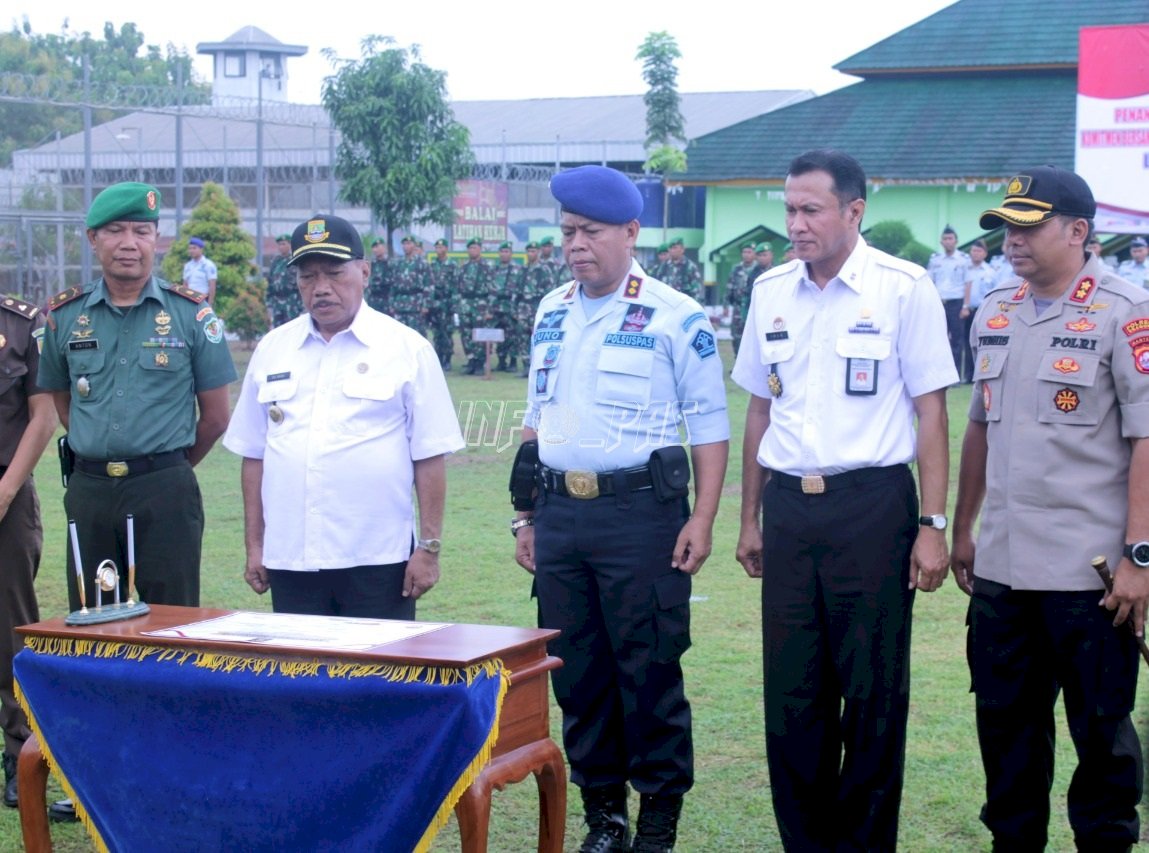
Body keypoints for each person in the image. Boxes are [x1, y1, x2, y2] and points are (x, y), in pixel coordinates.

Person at [732, 149, 957, 851]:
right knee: (792, 696)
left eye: (810, 210)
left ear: (853, 211)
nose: (794, 224)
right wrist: (749, 517)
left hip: (873, 508)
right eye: (788, 209)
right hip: (791, 512)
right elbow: (758, 412)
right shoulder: (769, 289)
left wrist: (932, 524)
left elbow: (932, 412)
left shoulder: (902, 287)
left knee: (870, 697)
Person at [512, 165, 729, 852]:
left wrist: (703, 518)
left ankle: (657, 822)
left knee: (649, 668)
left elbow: (709, 424)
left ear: (631, 233)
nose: (575, 244)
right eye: (568, 231)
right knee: (577, 672)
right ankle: (604, 816)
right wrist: (524, 516)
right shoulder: (550, 310)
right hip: (561, 517)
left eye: (591, 231)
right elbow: (532, 420)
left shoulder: (674, 314)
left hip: (641, 517)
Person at [951, 166, 1148, 850]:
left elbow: (1146, 435)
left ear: (1077, 231)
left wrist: (1138, 555)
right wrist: (963, 527)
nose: (1011, 240)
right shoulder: (996, 308)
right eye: (1006, 226)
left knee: (1101, 738)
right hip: (1003, 568)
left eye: (1028, 227)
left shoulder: (1124, 310)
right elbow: (979, 425)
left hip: (1089, 575)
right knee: (1004, 735)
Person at [224, 214, 464, 618]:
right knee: (300, 676)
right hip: (291, 558)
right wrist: (255, 545)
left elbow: (429, 456)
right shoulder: (272, 349)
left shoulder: (407, 349)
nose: (321, 288)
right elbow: (254, 455)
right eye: (307, 277)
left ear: (364, 272)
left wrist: (428, 548)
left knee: (381, 678)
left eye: (335, 273)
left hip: (376, 559)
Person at [0, 295, 56, 809]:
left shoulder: (20, 324)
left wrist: (5, 490)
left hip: (5, 493)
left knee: (9, 626)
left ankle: (22, 753)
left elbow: (42, 416)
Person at [927, 225, 969, 374]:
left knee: (957, 339)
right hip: (939, 303)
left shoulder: (963, 259)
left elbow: (967, 283)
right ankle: (939, 372)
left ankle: (955, 373)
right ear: (941, 242)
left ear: (956, 241)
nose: (948, 241)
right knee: (938, 338)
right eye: (945, 239)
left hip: (956, 303)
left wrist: (965, 306)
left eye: (950, 238)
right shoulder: (935, 259)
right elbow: (930, 282)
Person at [959, 238, 997, 383]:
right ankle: (967, 375)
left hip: (984, 311)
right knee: (966, 344)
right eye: (973, 250)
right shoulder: (964, 269)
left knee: (981, 344)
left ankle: (980, 374)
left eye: (979, 251)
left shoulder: (990, 272)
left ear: (985, 254)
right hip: (966, 310)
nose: (975, 254)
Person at [457, 237, 495, 375]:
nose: (472, 250)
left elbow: (492, 289)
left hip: (481, 303)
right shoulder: (464, 267)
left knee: (479, 332)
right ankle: (471, 360)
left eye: (475, 247)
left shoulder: (487, 267)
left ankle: (480, 362)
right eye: (470, 248)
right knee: (466, 333)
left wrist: (490, 309)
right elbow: (458, 287)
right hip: (466, 303)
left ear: (480, 249)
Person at [491, 241, 524, 372]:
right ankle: (501, 361)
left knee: (512, 335)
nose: (504, 254)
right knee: (499, 335)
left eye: (507, 251)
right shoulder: (494, 269)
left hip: (511, 305)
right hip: (497, 306)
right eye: (502, 251)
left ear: (511, 253)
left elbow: (520, 288)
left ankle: (513, 361)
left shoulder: (517, 269)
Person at [428, 238, 458, 370]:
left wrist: (453, 304)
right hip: (435, 303)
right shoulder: (432, 265)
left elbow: (456, 285)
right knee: (437, 333)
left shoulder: (452, 265)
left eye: (441, 247)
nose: (439, 250)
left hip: (447, 302)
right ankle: (438, 358)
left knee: (447, 332)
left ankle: (448, 359)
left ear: (446, 249)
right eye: (437, 248)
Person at [725, 241, 756, 355]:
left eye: (749, 252)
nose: (746, 254)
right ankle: (738, 363)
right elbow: (729, 286)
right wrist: (726, 304)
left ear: (754, 254)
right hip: (738, 307)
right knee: (736, 336)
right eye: (744, 252)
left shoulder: (758, 269)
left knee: (753, 336)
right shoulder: (736, 268)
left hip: (752, 307)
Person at [265, 233, 302, 328]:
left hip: (292, 301)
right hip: (277, 302)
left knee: (292, 327)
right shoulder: (276, 262)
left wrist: (301, 305)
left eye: (283, 244)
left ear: (290, 245)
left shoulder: (295, 261)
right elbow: (270, 282)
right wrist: (269, 302)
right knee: (278, 329)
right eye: (279, 244)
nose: (281, 247)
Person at [660, 237, 704, 302]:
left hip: (684, 306)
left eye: (675, 248)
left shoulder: (690, 267)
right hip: (666, 305)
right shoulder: (664, 267)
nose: (672, 250)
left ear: (682, 249)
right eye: (670, 248)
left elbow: (696, 291)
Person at [182, 236, 218, 304]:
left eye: (194, 248)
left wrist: (209, 304)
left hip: (203, 300)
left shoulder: (208, 265)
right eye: (190, 248)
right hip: (190, 300)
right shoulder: (187, 266)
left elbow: (212, 286)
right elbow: (185, 285)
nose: (191, 251)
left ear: (201, 249)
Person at [367, 237, 392, 315]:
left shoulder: (391, 264)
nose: (375, 250)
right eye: (374, 247)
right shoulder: (371, 264)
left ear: (384, 248)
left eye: (378, 246)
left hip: (386, 300)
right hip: (373, 299)